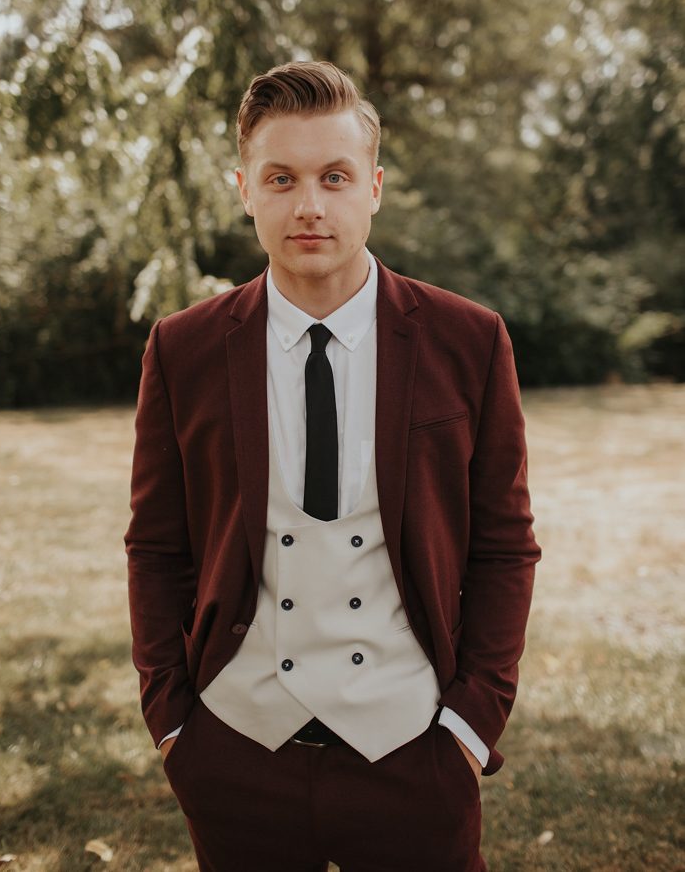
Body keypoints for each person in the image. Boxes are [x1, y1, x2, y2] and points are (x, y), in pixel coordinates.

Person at [125, 60, 540, 872]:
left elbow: (505, 548)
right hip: (237, 749)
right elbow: (156, 548)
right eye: (280, 178)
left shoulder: (469, 340)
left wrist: (469, 725)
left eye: (335, 177)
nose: (309, 205)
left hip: (414, 750)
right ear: (244, 189)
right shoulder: (184, 349)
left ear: (374, 188)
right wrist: (174, 723)